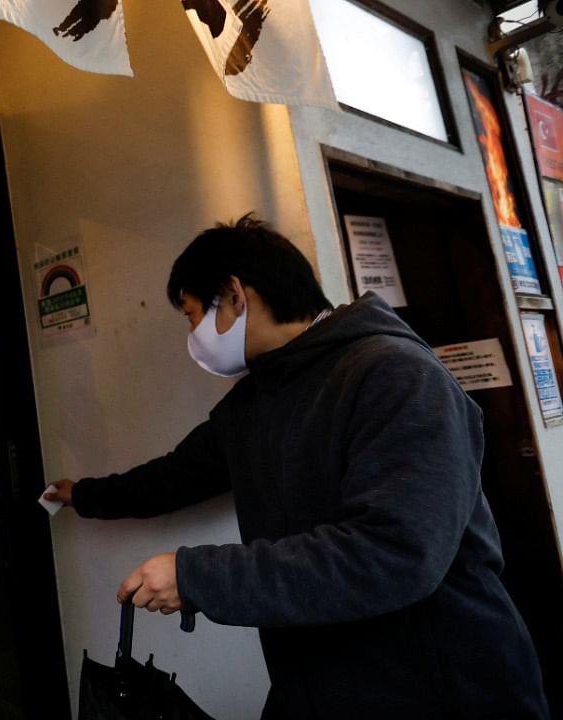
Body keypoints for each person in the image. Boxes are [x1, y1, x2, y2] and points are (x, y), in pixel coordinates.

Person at [45, 215, 548, 718]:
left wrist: (197, 578)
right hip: (319, 684)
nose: (192, 335)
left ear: (235, 296)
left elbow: (394, 553)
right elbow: (176, 476)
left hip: (445, 690)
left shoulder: (396, 376)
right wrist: (80, 494)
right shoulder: (257, 401)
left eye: (192, 314)